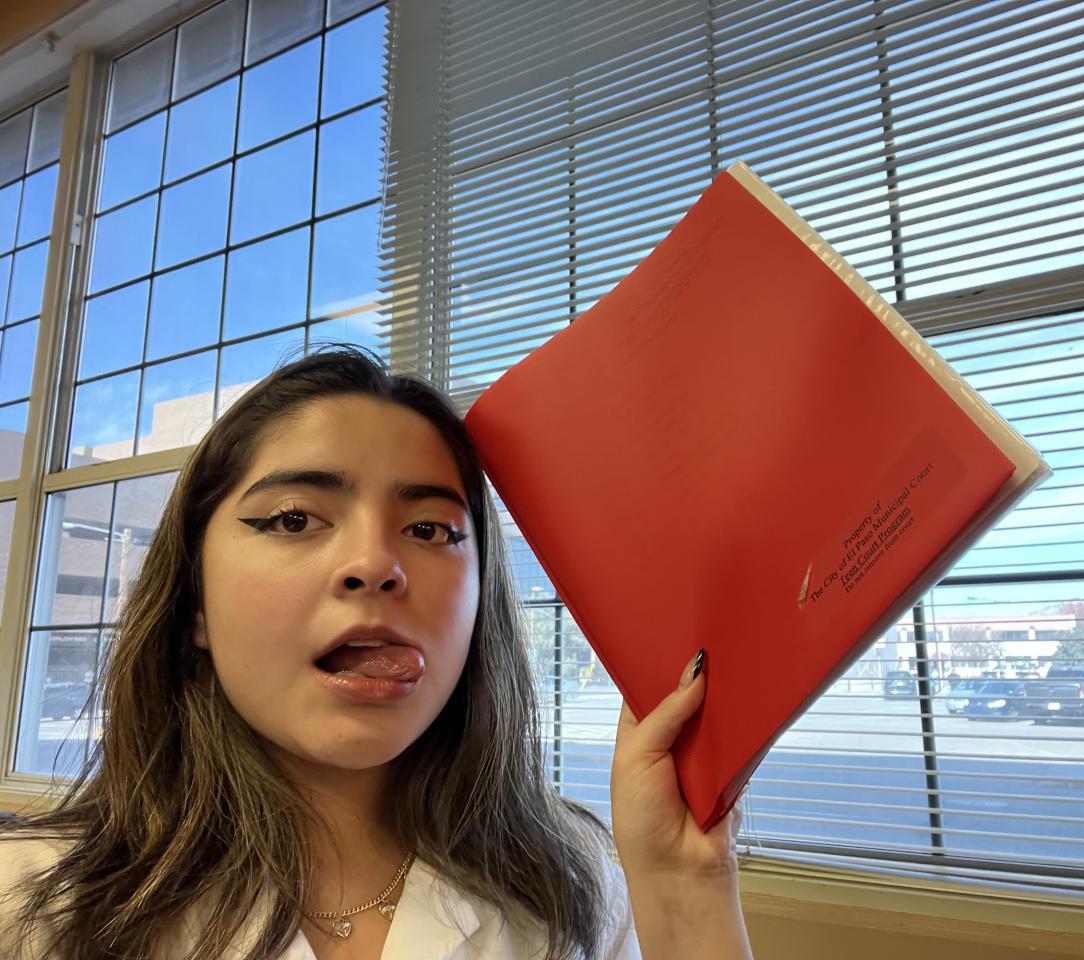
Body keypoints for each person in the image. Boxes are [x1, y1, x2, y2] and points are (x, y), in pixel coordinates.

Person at [0, 346, 754, 960]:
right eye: (294, 519)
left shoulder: (579, 887)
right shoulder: (26, 903)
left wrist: (687, 887)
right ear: (195, 601)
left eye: (429, 530)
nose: (376, 564)